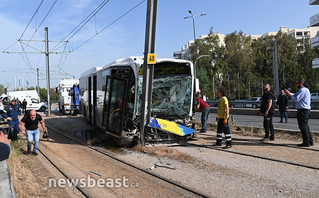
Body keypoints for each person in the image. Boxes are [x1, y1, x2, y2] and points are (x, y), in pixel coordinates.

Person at [284, 79, 313, 147]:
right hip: (304, 110)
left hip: (303, 110)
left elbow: (296, 99)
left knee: (303, 126)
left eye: (297, 83)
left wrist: (289, 94)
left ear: (301, 83)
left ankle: (306, 142)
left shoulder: (303, 90)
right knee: (305, 126)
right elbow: (295, 95)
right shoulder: (303, 90)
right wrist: (289, 93)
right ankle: (310, 141)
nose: (296, 85)